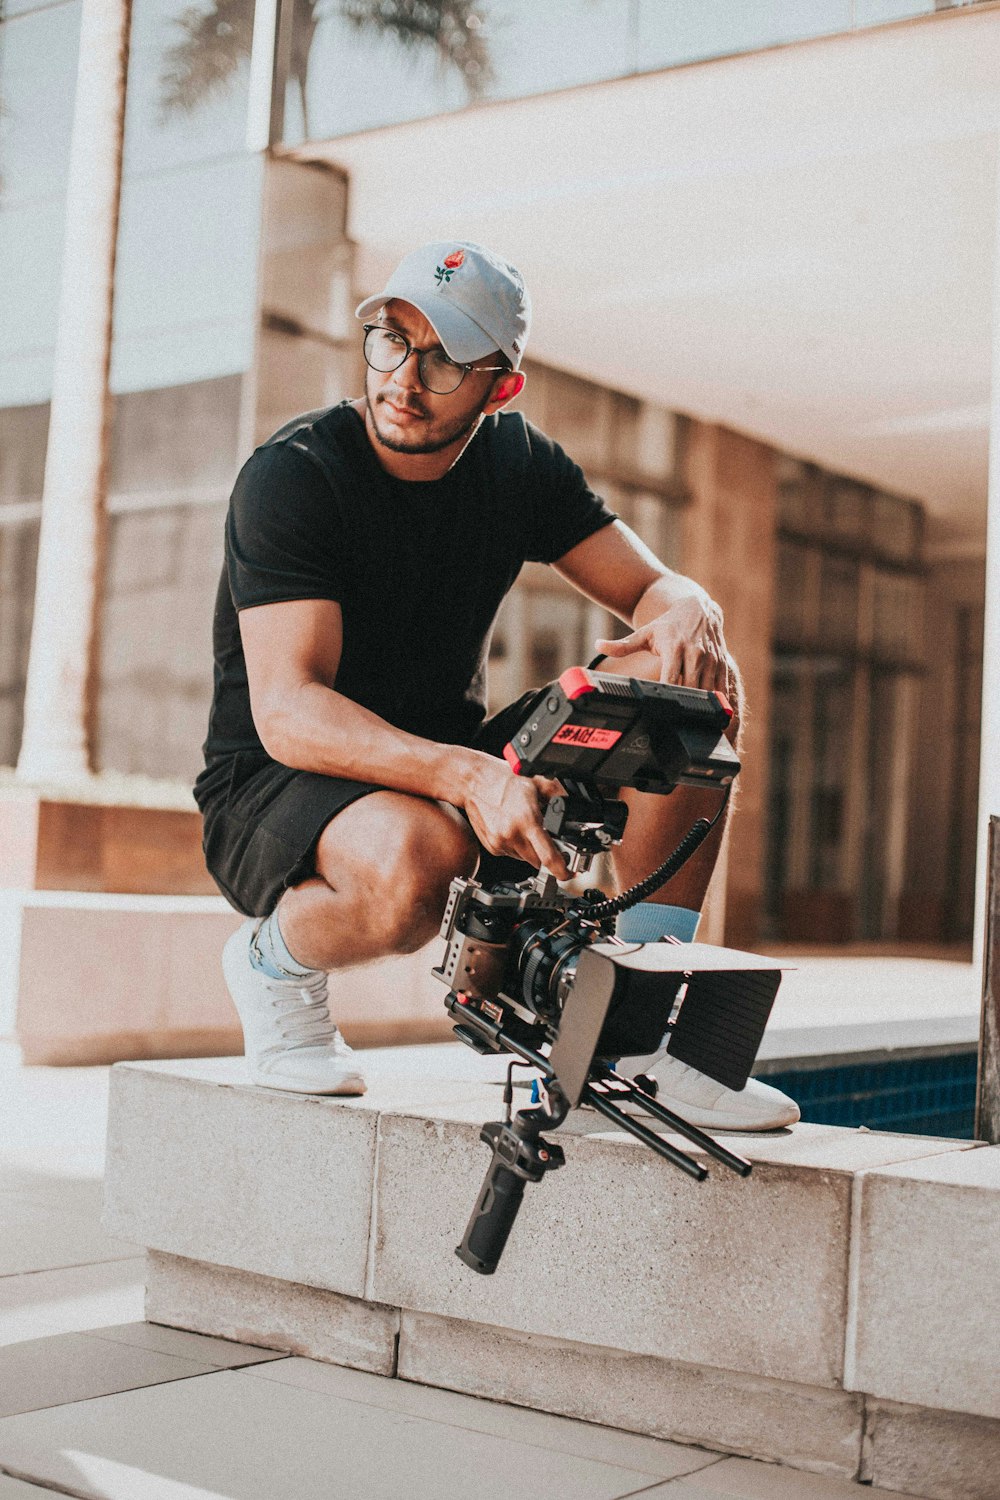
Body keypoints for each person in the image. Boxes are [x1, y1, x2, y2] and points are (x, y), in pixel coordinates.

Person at [194, 240, 798, 1131]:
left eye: (444, 359)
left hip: (455, 761)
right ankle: (272, 963)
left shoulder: (517, 465)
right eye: (393, 340)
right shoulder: (295, 477)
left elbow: (651, 591)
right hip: (279, 783)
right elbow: (288, 712)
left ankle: (642, 1026)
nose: (404, 377)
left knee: (687, 682)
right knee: (416, 861)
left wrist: (689, 601)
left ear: (501, 386)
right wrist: (471, 777)